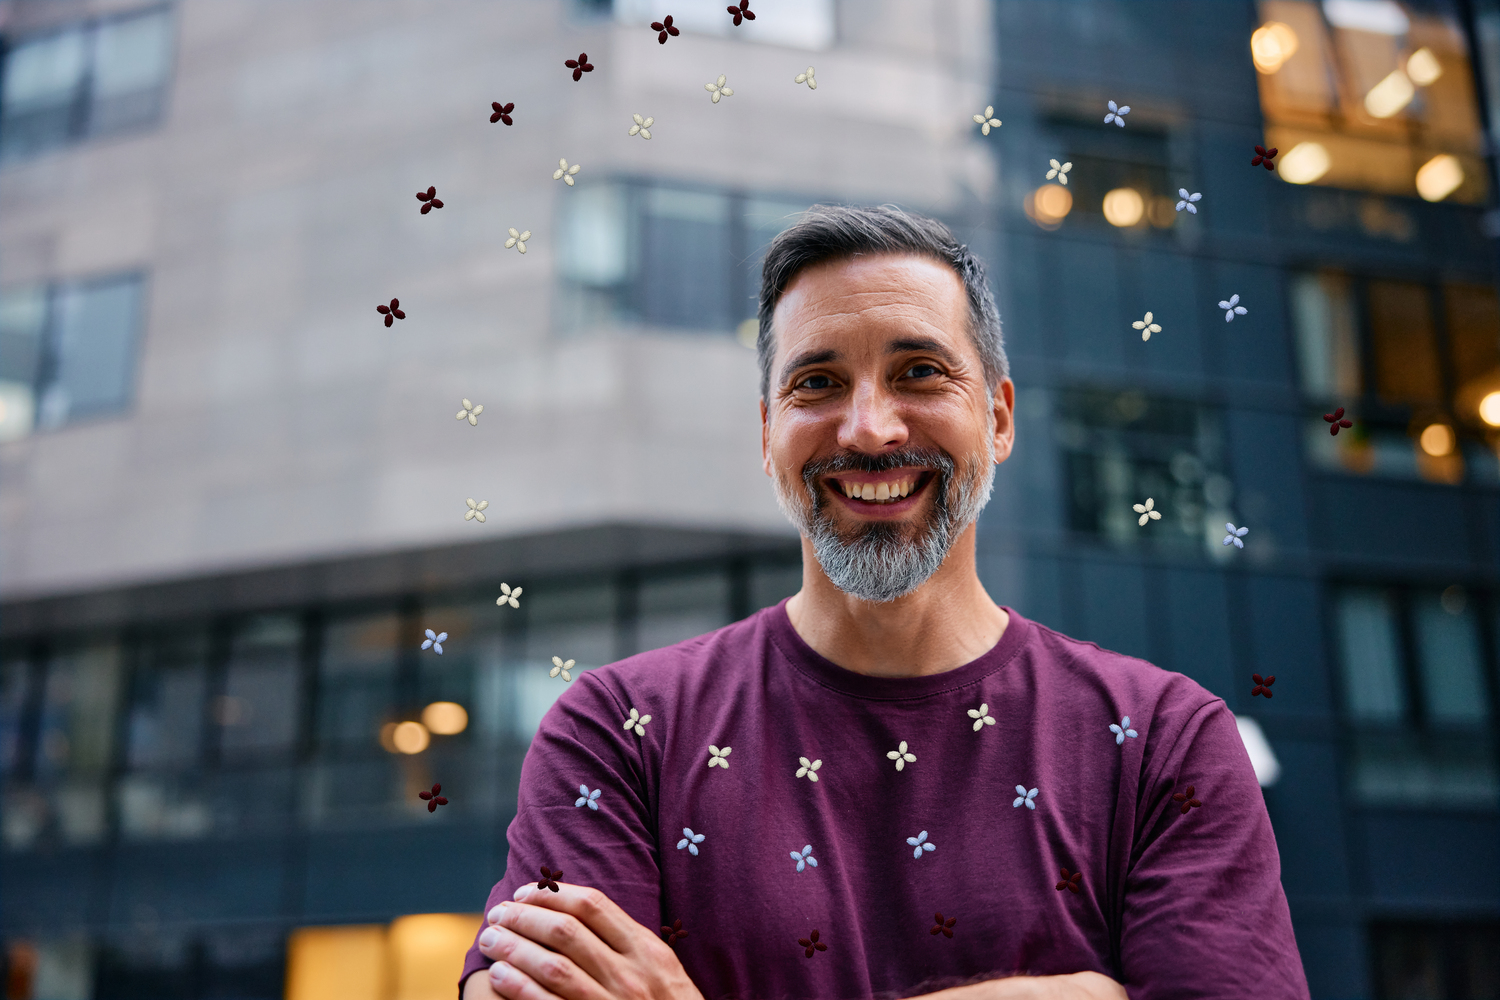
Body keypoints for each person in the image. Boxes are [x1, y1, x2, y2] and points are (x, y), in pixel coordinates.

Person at [458, 206, 1309, 1000]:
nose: (869, 429)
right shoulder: (618, 732)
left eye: (920, 372)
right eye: (818, 384)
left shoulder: (1163, 740)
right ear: (766, 435)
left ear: (1000, 418)